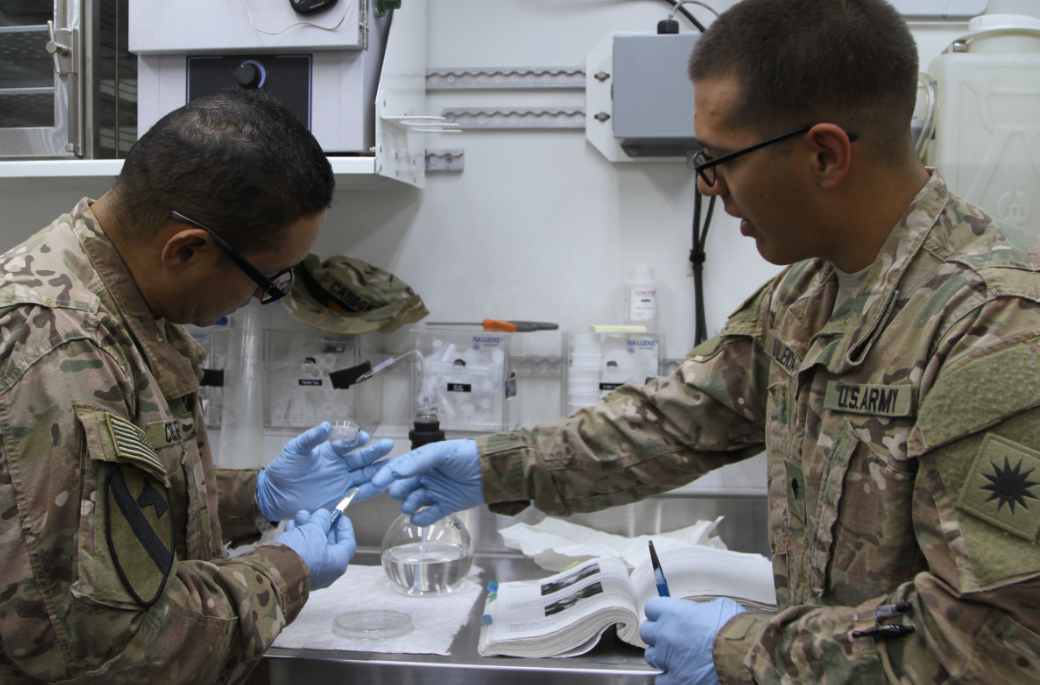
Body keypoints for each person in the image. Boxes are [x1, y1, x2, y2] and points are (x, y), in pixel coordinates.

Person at [371, 0, 1040, 683]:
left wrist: (743, 650)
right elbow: (672, 421)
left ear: (825, 154)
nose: (706, 185)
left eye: (720, 159)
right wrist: (496, 467)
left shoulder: (995, 330)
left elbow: (994, 638)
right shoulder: (806, 296)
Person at [0, 89, 393, 684]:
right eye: (269, 279)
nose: (265, 297)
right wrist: (288, 568)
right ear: (187, 250)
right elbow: (113, 648)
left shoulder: (124, 301)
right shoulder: (61, 355)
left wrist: (254, 496)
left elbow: (119, 523)